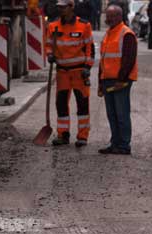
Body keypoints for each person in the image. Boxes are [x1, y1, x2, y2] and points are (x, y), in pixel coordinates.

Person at [46, 0, 95, 147]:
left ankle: (82, 137)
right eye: (59, 7)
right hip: (62, 72)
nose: (61, 9)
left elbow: (90, 48)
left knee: (82, 105)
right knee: (61, 104)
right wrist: (49, 55)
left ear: (71, 7)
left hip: (79, 72)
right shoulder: (53, 26)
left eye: (63, 7)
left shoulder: (84, 25)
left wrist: (88, 66)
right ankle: (63, 135)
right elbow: (49, 45)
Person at [97, 4, 137, 155]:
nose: (110, 19)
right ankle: (115, 143)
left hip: (121, 81)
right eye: (108, 16)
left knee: (121, 114)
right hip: (108, 80)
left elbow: (129, 59)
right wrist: (100, 82)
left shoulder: (126, 33)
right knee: (112, 115)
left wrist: (122, 79)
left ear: (120, 16)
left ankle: (124, 146)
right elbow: (104, 60)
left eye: (113, 16)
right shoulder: (108, 34)